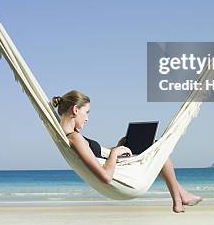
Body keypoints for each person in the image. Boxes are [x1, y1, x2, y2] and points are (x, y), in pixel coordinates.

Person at [52, 90, 202, 213]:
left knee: (155, 148)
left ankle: (180, 196)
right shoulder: (75, 138)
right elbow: (105, 177)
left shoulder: (72, 137)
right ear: (75, 110)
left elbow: (96, 156)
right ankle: (178, 198)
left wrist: (116, 148)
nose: (87, 119)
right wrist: (115, 153)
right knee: (158, 151)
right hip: (118, 181)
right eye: (87, 112)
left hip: (116, 170)